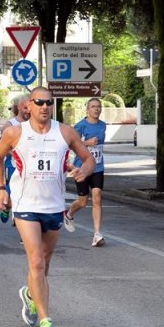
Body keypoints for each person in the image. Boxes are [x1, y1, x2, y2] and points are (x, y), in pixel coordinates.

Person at [0, 87, 95, 327]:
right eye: (39, 102)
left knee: (45, 262)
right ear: (29, 105)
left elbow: (87, 157)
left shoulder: (65, 132)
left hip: (53, 206)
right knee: (36, 261)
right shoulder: (16, 132)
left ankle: (30, 294)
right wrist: (1, 189)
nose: (44, 107)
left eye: (49, 102)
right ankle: (46, 322)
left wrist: (84, 171)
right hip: (25, 205)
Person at [64, 98, 107, 247]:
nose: (96, 109)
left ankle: (97, 234)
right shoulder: (80, 126)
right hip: (81, 168)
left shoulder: (103, 125)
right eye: (93, 106)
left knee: (97, 197)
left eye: (98, 106)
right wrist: (88, 143)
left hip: (98, 167)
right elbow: (70, 144)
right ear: (87, 110)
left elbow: (99, 147)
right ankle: (69, 214)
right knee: (83, 202)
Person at [0, 95, 30, 223]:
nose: (28, 110)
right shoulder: (10, 125)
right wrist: (16, 153)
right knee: (11, 196)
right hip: (13, 165)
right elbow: (0, 145)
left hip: (29, 167)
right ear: (19, 107)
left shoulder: (34, 124)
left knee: (26, 195)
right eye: (25, 107)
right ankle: (7, 208)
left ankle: (22, 222)